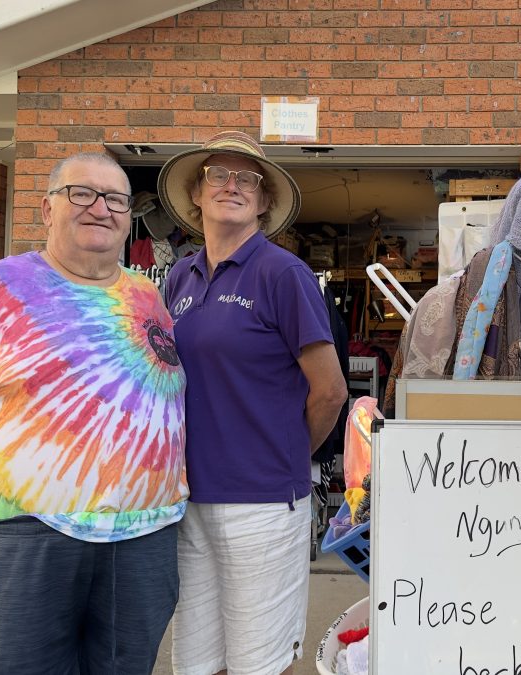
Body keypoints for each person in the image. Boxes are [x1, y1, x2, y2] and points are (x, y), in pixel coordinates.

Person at [0, 152, 188, 675]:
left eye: (116, 199)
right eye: (82, 193)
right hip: (29, 534)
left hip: (144, 535)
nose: (100, 208)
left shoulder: (146, 295)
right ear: (47, 209)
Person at [157, 131, 348, 675]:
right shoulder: (180, 277)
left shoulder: (282, 274)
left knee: (258, 662)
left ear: (265, 203)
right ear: (197, 192)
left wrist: (283, 452)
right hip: (189, 498)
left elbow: (330, 390)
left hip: (262, 503)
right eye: (219, 174)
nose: (233, 185)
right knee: (196, 660)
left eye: (249, 179)